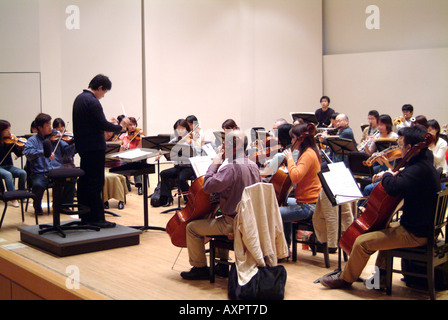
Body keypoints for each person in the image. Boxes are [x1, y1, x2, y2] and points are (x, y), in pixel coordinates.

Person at [320, 125, 441, 290]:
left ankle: (345, 279)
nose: (398, 149)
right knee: (385, 230)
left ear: (409, 148)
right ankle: (381, 278)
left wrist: (385, 174)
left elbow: (392, 187)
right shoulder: (425, 164)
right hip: (422, 228)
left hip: (415, 233)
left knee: (362, 241)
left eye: (400, 145)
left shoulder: (417, 170)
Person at [180, 130, 261, 280]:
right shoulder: (253, 165)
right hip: (250, 220)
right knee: (219, 216)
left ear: (230, 145)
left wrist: (214, 163)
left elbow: (208, 186)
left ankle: (200, 267)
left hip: (233, 223)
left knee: (191, 228)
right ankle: (222, 265)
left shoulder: (230, 167)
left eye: (225, 143)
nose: (223, 146)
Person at [72, 74, 129, 228]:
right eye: (104, 92)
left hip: (84, 148)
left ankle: (85, 216)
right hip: (94, 148)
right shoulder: (92, 101)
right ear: (99, 88)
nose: (103, 96)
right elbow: (102, 124)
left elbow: (94, 123)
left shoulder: (79, 99)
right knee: (96, 183)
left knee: (85, 183)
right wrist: (120, 127)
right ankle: (97, 219)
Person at [279, 123, 322, 250]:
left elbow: (296, 177)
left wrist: (290, 159)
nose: (292, 141)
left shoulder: (308, 155)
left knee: (271, 212)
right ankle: (285, 246)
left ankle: (281, 248)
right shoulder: (309, 152)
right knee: (283, 203)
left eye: (293, 138)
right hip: (307, 202)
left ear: (301, 138)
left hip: (308, 206)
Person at [24, 113, 76, 215]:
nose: (50, 127)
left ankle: (64, 205)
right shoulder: (33, 140)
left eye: (50, 124)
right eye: (47, 125)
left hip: (56, 171)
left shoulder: (56, 139)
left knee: (71, 178)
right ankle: (37, 205)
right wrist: (45, 151)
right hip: (40, 172)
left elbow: (67, 152)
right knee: (38, 184)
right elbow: (28, 154)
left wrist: (75, 144)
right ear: (39, 127)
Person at [157, 119, 196, 207]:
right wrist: (160, 153)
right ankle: (167, 198)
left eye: (182, 129)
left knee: (181, 179)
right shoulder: (175, 139)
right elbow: (167, 148)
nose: (180, 131)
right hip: (178, 166)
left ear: (187, 129)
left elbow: (196, 151)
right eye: (178, 129)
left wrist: (188, 141)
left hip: (189, 167)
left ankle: (189, 198)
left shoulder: (191, 139)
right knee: (164, 174)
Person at [0, 120, 27, 207]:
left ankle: (22, 195)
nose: (9, 132)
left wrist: (22, 149)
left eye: (9, 129)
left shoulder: (10, 142)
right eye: (7, 130)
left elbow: (18, 153)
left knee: (23, 173)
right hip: (1, 167)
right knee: (8, 175)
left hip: (9, 166)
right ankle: (13, 198)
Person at [120, 116, 144, 195]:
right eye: (130, 125)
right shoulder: (123, 136)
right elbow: (120, 149)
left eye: (134, 124)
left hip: (136, 156)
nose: (133, 126)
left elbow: (141, 149)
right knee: (121, 163)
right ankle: (126, 183)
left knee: (136, 162)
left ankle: (139, 185)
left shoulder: (139, 135)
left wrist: (140, 140)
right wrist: (123, 147)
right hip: (125, 157)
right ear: (126, 126)